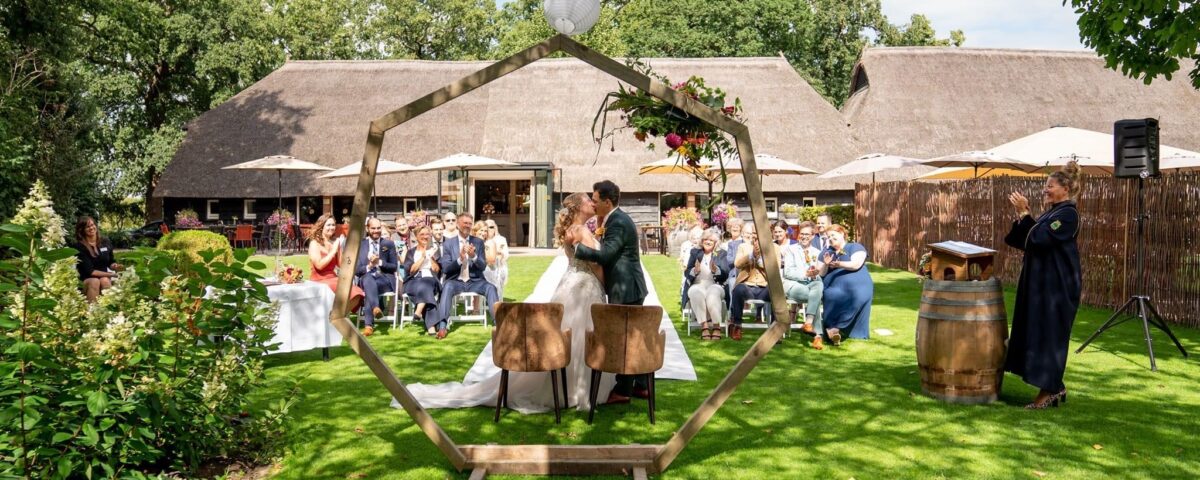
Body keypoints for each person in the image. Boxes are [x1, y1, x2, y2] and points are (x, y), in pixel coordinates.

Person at [403, 193, 617, 413]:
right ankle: (576, 389)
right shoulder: (581, 230)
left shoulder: (572, 229)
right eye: (588, 200)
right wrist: (605, 286)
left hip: (571, 285)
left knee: (568, 336)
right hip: (584, 288)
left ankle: (569, 386)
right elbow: (597, 263)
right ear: (580, 207)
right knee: (579, 334)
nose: (592, 202)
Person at [1004, 161, 1082, 409]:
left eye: (1050, 186)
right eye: (1045, 186)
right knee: (1037, 332)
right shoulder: (1053, 213)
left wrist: (1026, 214)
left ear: (1066, 189)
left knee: (1050, 336)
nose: (1045, 190)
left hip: (1057, 288)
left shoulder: (1068, 215)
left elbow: (1039, 238)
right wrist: (1023, 216)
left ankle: (1050, 389)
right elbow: (1025, 239)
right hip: (1042, 285)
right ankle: (1055, 387)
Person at [574, 180, 649, 404]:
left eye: (596, 201)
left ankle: (623, 390)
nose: (594, 204)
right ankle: (642, 385)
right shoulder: (613, 218)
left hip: (626, 289)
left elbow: (606, 256)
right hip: (627, 287)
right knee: (632, 336)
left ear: (608, 202)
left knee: (624, 339)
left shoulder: (617, 221)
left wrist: (578, 248)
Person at [433, 212, 499, 339]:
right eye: (465, 223)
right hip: (456, 281)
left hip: (475, 281)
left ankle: (498, 323)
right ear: (458, 224)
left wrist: (474, 256)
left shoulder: (478, 242)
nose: (467, 226)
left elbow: (483, 266)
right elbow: (446, 269)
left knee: (491, 288)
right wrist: (460, 259)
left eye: (470, 223)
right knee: (446, 288)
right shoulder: (448, 244)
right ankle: (442, 327)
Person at [819, 224, 872, 345]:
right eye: (828, 237)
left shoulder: (855, 246)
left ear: (842, 233)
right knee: (833, 294)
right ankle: (834, 330)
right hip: (834, 285)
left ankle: (834, 330)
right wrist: (826, 264)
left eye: (833, 235)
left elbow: (856, 264)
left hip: (859, 283)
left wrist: (839, 264)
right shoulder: (826, 253)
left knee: (858, 295)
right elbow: (821, 273)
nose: (831, 238)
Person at [308, 214, 364, 314]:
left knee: (358, 293)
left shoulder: (334, 243)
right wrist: (333, 251)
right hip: (319, 279)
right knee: (347, 289)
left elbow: (342, 265)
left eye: (333, 225)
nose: (332, 228)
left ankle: (337, 316)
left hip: (333, 278)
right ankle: (335, 317)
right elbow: (319, 265)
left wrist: (345, 250)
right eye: (328, 225)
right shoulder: (314, 243)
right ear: (321, 227)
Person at [782, 221, 825, 349]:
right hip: (793, 285)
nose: (804, 236)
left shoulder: (817, 252)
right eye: (802, 234)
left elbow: (818, 273)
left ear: (812, 236)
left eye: (807, 234)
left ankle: (808, 323)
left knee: (818, 283)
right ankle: (818, 335)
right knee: (815, 297)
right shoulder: (791, 249)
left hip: (810, 284)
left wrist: (815, 273)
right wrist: (805, 274)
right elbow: (788, 272)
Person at [354, 217, 398, 337]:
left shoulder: (388, 244)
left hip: (384, 280)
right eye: (373, 228)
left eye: (378, 228)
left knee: (369, 287)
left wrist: (379, 262)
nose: (376, 230)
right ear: (367, 229)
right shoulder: (361, 245)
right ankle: (376, 308)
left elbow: (394, 267)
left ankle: (369, 325)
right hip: (367, 278)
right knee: (368, 279)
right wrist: (369, 266)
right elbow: (357, 270)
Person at [730, 223, 771, 340]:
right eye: (753, 233)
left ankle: (775, 328)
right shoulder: (743, 247)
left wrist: (760, 261)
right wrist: (751, 255)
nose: (755, 236)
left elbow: (776, 266)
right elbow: (737, 264)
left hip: (765, 286)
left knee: (776, 291)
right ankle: (737, 325)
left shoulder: (773, 248)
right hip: (748, 286)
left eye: (758, 234)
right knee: (738, 289)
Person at [685, 229, 728, 341]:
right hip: (698, 283)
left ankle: (716, 326)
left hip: (715, 284)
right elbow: (687, 271)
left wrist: (716, 270)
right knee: (695, 292)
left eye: (711, 240)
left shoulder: (721, 253)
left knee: (713, 293)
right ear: (702, 241)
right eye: (706, 239)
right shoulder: (695, 252)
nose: (708, 242)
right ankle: (704, 326)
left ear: (715, 242)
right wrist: (694, 270)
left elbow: (725, 274)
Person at [72, 216, 122, 302]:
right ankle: (91, 313)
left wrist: (114, 266)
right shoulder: (79, 247)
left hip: (104, 278)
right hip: (86, 280)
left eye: (92, 225)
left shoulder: (105, 242)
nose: (91, 228)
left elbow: (110, 261)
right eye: (87, 227)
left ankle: (109, 311)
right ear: (82, 230)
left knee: (105, 280)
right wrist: (113, 275)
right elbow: (90, 272)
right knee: (94, 281)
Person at [402, 225, 442, 327]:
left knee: (426, 283)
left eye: (427, 234)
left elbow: (437, 270)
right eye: (422, 234)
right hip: (413, 281)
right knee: (425, 289)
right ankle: (431, 327)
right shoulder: (411, 252)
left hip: (431, 280)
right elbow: (411, 271)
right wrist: (423, 258)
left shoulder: (435, 250)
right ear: (416, 236)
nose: (425, 237)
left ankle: (419, 309)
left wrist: (431, 258)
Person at [483, 219, 509, 301]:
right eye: (487, 227)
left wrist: (498, 255)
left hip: (499, 265)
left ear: (495, 228)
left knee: (499, 273)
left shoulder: (501, 239)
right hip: (485, 266)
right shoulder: (481, 239)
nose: (489, 229)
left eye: (491, 227)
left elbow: (505, 254)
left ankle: (498, 300)